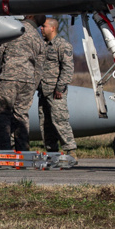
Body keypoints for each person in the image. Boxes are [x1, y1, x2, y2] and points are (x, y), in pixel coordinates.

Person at [0, 16, 44, 151]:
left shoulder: (13, 29)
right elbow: (39, 65)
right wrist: (33, 84)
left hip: (9, 77)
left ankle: (4, 153)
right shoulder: (38, 38)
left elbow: (0, 52)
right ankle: (23, 152)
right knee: (21, 116)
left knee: (2, 114)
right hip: (28, 80)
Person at [37, 17, 78, 155]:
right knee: (45, 124)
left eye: (44, 26)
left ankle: (71, 151)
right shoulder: (42, 45)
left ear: (52, 28)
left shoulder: (62, 45)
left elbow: (68, 68)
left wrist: (60, 87)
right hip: (43, 90)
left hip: (56, 92)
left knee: (60, 121)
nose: (41, 29)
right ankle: (51, 152)